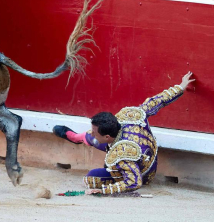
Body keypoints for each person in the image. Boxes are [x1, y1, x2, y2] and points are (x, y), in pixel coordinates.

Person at [53, 72, 195, 195]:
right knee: (91, 138)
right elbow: (156, 102)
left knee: (90, 179)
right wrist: (180, 87)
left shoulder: (123, 155)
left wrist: (104, 191)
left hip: (144, 172)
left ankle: (80, 140)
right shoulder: (129, 116)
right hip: (140, 148)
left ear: (107, 137)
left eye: (96, 132)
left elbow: (134, 182)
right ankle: (74, 137)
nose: (93, 133)